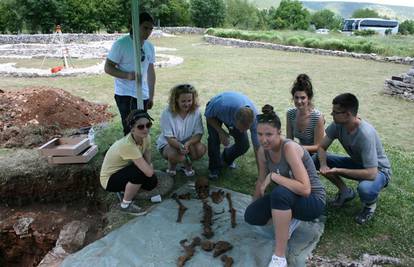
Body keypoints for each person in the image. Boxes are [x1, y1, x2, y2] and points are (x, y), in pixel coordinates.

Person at [244, 105, 325, 267]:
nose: (263, 139)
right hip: (289, 197)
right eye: (259, 134)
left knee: (279, 194)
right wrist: (255, 203)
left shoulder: (289, 148)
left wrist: (274, 176)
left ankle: (279, 257)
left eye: (269, 134)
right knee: (251, 216)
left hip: (313, 201)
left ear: (279, 133)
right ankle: (288, 219)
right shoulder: (262, 151)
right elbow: (261, 181)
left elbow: (305, 189)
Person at [314, 93, 391, 224]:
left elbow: (371, 174)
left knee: (365, 189)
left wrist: (339, 171)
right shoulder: (338, 125)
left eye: (335, 112)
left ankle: (369, 206)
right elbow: (321, 148)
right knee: (316, 158)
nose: (332, 114)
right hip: (358, 164)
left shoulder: (365, 134)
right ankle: (345, 192)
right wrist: (323, 165)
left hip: (378, 170)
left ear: (348, 114)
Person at [105, 11, 156, 135]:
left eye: (151, 28)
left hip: (142, 93)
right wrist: (127, 75)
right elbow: (108, 67)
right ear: (134, 25)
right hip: (124, 94)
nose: (148, 31)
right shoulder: (121, 44)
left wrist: (151, 95)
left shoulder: (149, 47)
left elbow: (150, 71)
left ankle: (141, 153)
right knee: (130, 128)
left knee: (143, 127)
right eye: (145, 27)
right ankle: (129, 153)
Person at [100, 110, 158, 215]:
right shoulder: (127, 145)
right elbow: (149, 171)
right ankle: (125, 205)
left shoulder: (146, 137)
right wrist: (148, 170)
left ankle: (129, 188)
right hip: (109, 180)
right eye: (140, 127)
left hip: (123, 170)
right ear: (132, 129)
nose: (146, 129)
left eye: (148, 125)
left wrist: (149, 169)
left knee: (152, 183)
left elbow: (148, 160)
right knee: (139, 172)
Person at [204, 91, 260, 180]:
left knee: (244, 144)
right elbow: (208, 116)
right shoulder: (221, 106)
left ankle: (225, 159)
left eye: (245, 129)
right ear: (234, 120)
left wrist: (261, 174)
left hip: (232, 111)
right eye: (240, 128)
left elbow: (257, 148)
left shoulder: (255, 120)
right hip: (214, 112)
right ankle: (214, 169)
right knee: (214, 139)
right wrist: (221, 131)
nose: (242, 131)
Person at [156, 84, 206, 177]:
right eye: (183, 101)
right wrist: (180, 146)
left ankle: (186, 164)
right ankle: (172, 165)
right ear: (176, 100)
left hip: (187, 142)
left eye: (189, 100)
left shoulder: (196, 111)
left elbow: (199, 133)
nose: (187, 104)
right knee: (175, 154)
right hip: (168, 144)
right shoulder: (167, 113)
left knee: (200, 149)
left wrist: (188, 143)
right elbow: (169, 138)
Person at [286, 74, 324, 155]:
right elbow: (289, 139)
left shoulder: (317, 117)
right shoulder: (290, 114)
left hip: (316, 155)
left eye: (303, 98)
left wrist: (297, 147)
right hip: (299, 152)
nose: (299, 101)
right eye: (296, 97)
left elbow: (318, 147)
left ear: (309, 98)